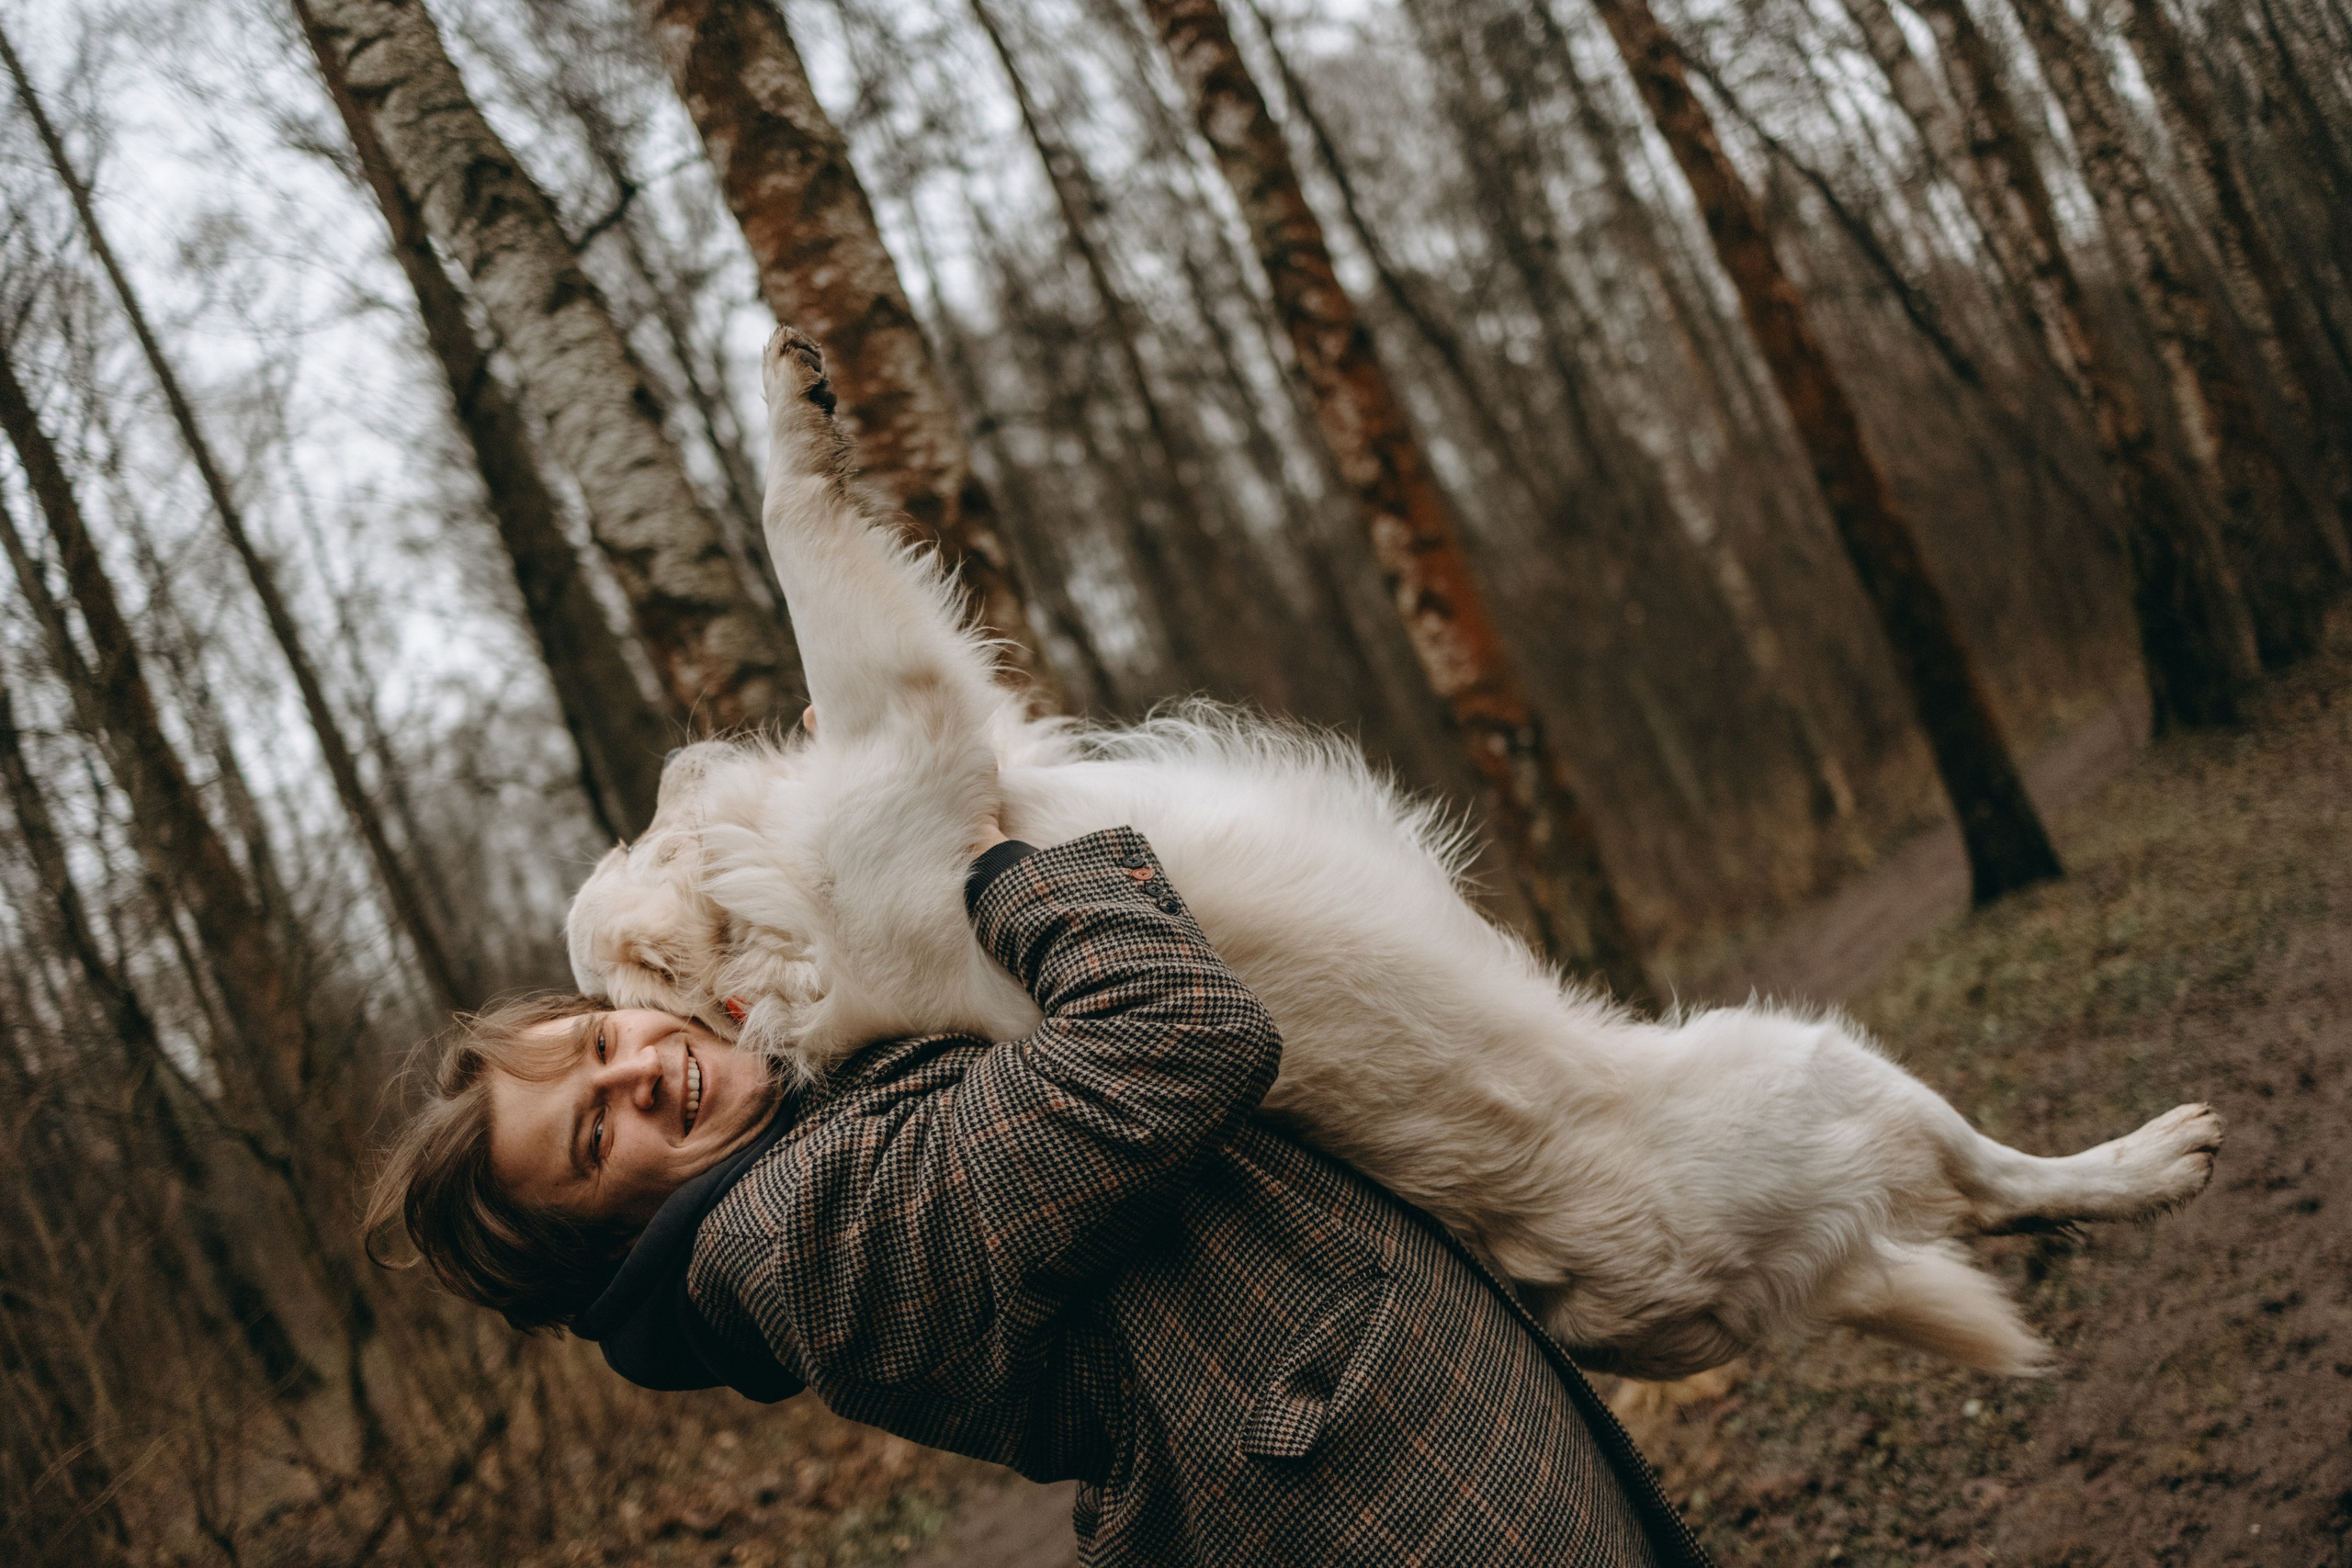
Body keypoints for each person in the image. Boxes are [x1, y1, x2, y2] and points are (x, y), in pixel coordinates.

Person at [368, 827, 1711, 1566]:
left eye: (602, 1046)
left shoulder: (797, 1120)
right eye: (593, 1142)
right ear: (607, 1248)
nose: (645, 1076)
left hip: (1409, 1454)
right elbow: (1175, 1033)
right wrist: (1003, 866)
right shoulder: (800, 1245)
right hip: (1390, 1519)